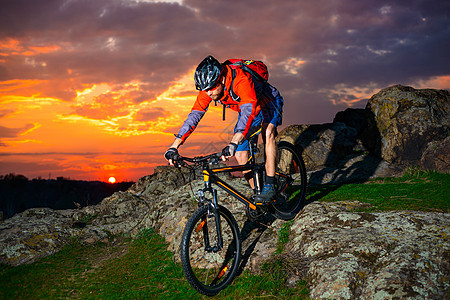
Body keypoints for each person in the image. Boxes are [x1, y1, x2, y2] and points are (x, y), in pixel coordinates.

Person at [164, 55, 283, 204]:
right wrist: (174, 145)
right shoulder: (209, 88)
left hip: (267, 103)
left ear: (221, 79)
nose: (208, 93)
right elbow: (194, 115)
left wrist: (234, 141)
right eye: (205, 90)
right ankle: (259, 198)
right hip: (250, 110)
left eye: (211, 88)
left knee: (268, 132)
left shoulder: (241, 80)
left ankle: (270, 184)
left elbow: (247, 111)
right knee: (240, 157)